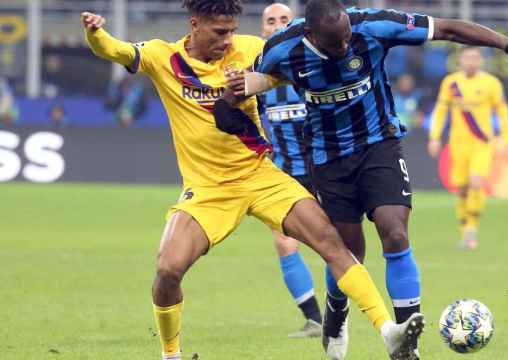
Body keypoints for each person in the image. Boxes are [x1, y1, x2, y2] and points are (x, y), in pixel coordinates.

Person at [81, 1, 424, 360]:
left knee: (334, 245)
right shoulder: (161, 57)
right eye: (219, 32)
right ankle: (172, 355)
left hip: (261, 176)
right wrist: (95, 33)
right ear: (194, 24)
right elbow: (114, 50)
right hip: (209, 190)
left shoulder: (251, 49)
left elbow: (300, 60)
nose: (229, 40)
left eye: (232, 31)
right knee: (168, 269)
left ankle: (389, 333)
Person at [239, 1, 508, 358]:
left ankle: (406, 345)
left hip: (378, 144)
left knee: (395, 231)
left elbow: (447, 28)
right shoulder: (282, 47)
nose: (343, 48)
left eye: (346, 39)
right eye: (333, 45)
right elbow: (242, 86)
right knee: (348, 253)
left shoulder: (373, 25)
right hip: (328, 156)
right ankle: (336, 314)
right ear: (310, 34)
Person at [259, 3, 322, 338]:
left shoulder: (312, 65)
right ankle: (314, 318)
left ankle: (345, 311)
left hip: (324, 167)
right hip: (284, 174)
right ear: (263, 31)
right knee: (284, 243)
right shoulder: (258, 76)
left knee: (336, 244)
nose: (279, 24)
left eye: (285, 19)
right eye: (271, 21)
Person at [428, 46, 508, 250]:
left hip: (482, 142)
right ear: (460, 61)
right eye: (467, 58)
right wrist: (434, 137)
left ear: (481, 61)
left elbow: (502, 111)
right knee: (462, 188)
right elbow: (440, 110)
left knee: (477, 182)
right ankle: (465, 228)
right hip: (458, 143)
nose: (471, 62)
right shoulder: (451, 82)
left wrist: (506, 139)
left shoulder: (491, 83)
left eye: (475, 58)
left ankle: (472, 228)